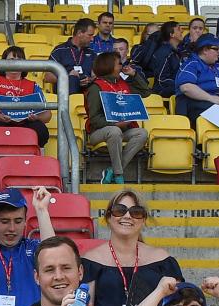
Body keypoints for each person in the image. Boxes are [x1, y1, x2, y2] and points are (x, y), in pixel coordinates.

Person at [84, 53, 149, 183]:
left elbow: (146, 92)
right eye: (119, 63)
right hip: (99, 132)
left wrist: (134, 74)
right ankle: (118, 175)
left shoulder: (123, 84)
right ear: (109, 66)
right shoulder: (95, 88)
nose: (122, 66)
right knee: (114, 131)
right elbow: (95, 119)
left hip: (122, 130)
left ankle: (112, 171)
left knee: (142, 133)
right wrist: (115, 124)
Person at [0, 47, 51, 147]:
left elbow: (47, 114)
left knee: (41, 130)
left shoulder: (33, 85)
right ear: (3, 63)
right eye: (11, 60)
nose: (15, 63)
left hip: (26, 123)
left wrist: (37, 117)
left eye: (19, 60)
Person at [174, 35, 219, 122]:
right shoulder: (191, 64)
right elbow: (186, 88)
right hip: (195, 104)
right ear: (205, 50)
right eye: (216, 49)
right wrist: (212, 98)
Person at [49, 17, 99, 96]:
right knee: (72, 80)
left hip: (87, 93)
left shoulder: (91, 52)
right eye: (90, 35)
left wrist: (89, 79)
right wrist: (67, 77)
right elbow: (48, 77)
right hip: (66, 94)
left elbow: (96, 75)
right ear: (79, 33)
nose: (92, 39)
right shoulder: (60, 50)